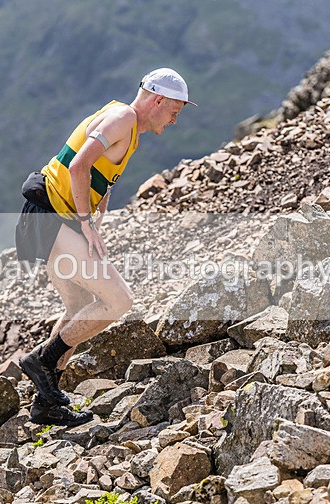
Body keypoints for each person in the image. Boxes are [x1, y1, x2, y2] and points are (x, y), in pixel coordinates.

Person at [15, 68, 196, 426]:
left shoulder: (128, 130)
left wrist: (100, 203)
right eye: (174, 111)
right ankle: (42, 361)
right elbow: (79, 165)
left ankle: (45, 402)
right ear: (158, 99)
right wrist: (86, 221)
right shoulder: (123, 117)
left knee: (79, 305)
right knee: (118, 300)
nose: (175, 120)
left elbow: (95, 170)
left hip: (51, 217)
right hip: (51, 216)